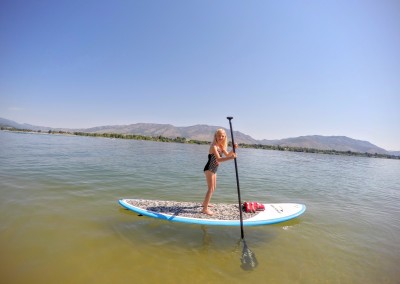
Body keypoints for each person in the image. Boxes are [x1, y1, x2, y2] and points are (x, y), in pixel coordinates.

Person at [202, 128, 238, 215]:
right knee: (210, 189)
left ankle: (204, 204)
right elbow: (219, 159)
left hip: (214, 169)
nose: (221, 137)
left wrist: (233, 149)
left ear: (225, 137)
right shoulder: (214, 146)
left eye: (222, 136)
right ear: (215, 136)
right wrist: (231, 158)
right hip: (209, 168)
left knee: (213, 188)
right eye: (219, 136)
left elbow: (227, 154)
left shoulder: (220, 146)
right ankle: (205, 209)